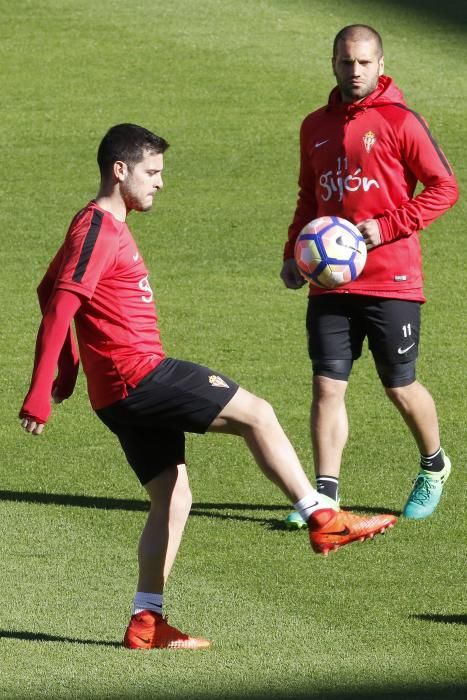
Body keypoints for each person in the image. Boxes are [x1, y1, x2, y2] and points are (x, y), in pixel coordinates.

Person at [19, 123, 396, 651]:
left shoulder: (94, 226)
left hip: (115, 393)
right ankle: (322, 515)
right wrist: (42, 390)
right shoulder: (99, 229)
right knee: (257, 414)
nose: (160, 184)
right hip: (139, 374)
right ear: (119, 171)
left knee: (172, 499)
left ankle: (145, 622)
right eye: (152, 173)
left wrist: (67, 367)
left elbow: (46, 288)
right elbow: (61, 302)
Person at [280, 25, 458, 530]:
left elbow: (445, 187)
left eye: (363, 62)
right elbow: (309, 197)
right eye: (344, 62)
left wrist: (385, 228)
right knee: (326, 387)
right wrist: (294, 253)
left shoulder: (401, 121)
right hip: (330, 283)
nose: (353, 71)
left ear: (380, 64)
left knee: (399, 386)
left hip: (392, 279)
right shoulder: (314, 124)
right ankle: (325, 497)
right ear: (332, 63)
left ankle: (434, 465)